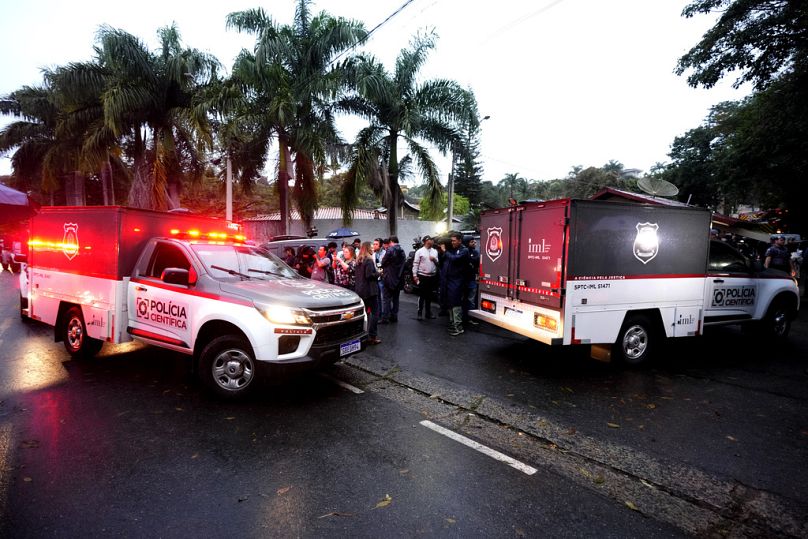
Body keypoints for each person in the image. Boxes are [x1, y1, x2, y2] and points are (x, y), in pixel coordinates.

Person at [440, 232, 470, 336]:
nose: (452, 242)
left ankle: (459, 327)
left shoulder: (464, 250)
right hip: (449, 280)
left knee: (456, 303)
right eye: (451, 240)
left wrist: (445, 251)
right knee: (450, 302)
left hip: (458, 281)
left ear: (460, 240)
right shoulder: (452, 250)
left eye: (454, 240)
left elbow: (454, 259)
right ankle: (453, 323)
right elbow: (445, 260)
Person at [354, 241, 381, 345]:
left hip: (360, 290)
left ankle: (362, 335)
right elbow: (369, 275)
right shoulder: (368, 260)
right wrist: (378, 273)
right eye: (371, 247)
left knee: (364, 314)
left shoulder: (358, 260)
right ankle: (372, 336)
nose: (373, 248)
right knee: (375, 313)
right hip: (370, 290)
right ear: (367, 248)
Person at [412, 235, 439, 320]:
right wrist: (415, 275)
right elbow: (415, 263)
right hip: (422, 276)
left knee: (429, 295)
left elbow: (438, 262)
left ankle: (428, 313)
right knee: (422, 295)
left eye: (432, 240)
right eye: (430, 240)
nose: (432, 242)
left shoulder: (435, 251)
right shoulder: (420, 251)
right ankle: (419, 313)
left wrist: (434, 259)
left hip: (432, 276)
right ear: (426, 242)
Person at [380, 235, 406, 323]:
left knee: (386, 298)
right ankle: (394, 316)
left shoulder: (390, 250)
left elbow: (383, 262)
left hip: (389, 277)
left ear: (391, 241)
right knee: (396, 298)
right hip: (398, 278)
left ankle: (385, 318)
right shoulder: (402, 251)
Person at [463, 238, 481, 326]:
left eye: (474, 241)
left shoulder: (476, 252)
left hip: (472, 279)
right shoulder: (463, 251)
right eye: (471, 241)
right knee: (463, 299)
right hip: (463, 280)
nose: (474, 243)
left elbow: (476, 261)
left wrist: (470, 260)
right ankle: (463, 317)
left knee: (471, 300)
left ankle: (470, 318)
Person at [372, 238, 386, 318]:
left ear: (380, 245)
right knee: (377, 298)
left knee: (383, 297)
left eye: (376, 244)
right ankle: (379, 313)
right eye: (374, 244)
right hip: (376, 278)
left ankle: (384, 315)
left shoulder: (385, 253)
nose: (374, 245)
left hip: (382, 278)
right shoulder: (373, 254)